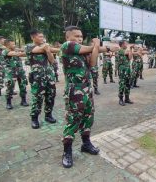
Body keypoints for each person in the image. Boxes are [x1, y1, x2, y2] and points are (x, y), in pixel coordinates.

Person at [60, 26, 120, 168]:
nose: (79, 38)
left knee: (88, 117)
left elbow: (92, 62)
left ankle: (86, 144)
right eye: (76, 36)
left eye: (81, 36)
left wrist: (102, 48)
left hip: (87, 90)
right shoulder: (67, 46)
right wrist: (101, 46)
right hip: (74, 91)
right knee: (73, 120)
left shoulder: (83, 51)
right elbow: (90, 48)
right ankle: (67, 151)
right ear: (68, 37)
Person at [25, 29, 59, 129]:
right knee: (37, 98)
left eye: (42, 37)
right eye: (40, 37)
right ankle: (34, 118)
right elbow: (37, 50)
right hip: (37, 77)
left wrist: (48, 50)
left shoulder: (45, 47)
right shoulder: (29, 46)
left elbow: (52, 61)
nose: (42, 38)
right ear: (33, 37)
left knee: (51, 96)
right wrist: (46, 47)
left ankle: (48, 115)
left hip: (49, 76)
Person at [1, 39, 29, 109]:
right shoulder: (5, 51)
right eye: (13, 44)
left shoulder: (15, 50)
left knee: (23, 84)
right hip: (11, 72)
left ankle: (23, 100)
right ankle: (8, 102)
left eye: (14, 44)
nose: (14, 45)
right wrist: (29, 52)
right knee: (10, 86)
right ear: (7, 45)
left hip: (20, 70)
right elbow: (17, 54)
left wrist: (24, 49)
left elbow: (21, 51)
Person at [118, 41, 134, 106]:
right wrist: (130, 49)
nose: (126, 44)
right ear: (122, 44)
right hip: (122, 68)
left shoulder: (127, 50)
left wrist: (130, 49)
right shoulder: (120, 50)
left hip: (127, 68)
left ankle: (127, 98)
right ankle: (121, 99)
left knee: (128, 83)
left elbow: (130, 57)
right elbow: (127, 53)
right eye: (125, 43)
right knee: (122, 83)